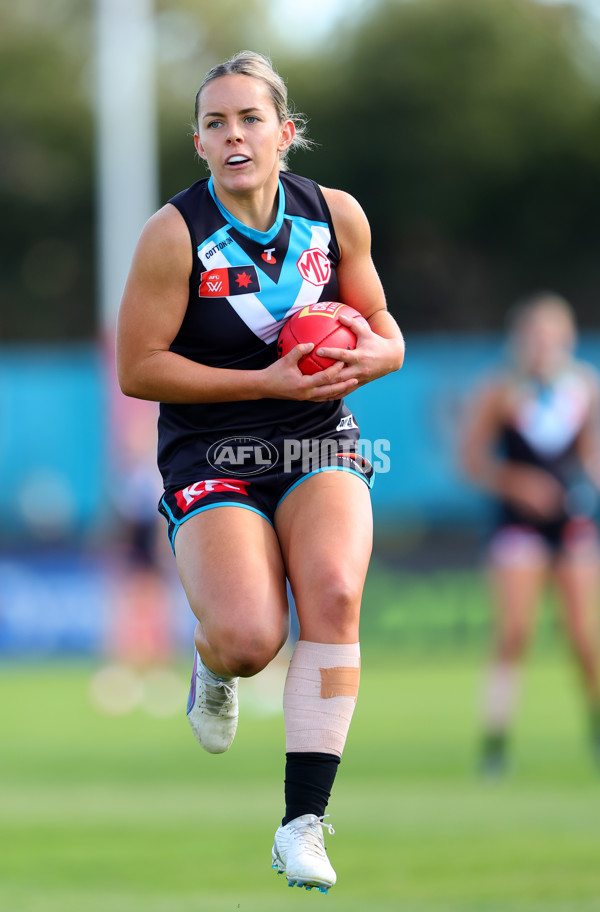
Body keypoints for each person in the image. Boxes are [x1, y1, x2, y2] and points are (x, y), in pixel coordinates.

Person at [116, 50, 404, 891]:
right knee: (250, 641)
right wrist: (261, 380)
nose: (233, 134)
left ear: (284, 133)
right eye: (215, 123)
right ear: (200, 145)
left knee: (336, 593)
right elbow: (138, 368)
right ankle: (212, 663)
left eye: (249, 119)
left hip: (318, 432)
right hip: (214, 448)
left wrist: (377, 355)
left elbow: (379, 317)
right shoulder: (174, 235)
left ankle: (303, 822)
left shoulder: (335, 214)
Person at [461, 292, 600, 775]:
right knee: (514, 634)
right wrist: (518, 483)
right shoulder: (499, 391)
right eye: (534, 336)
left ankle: (594, 728)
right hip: (517, 524)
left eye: (553, 336)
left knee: (584, 636)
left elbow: (588, 456)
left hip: (572, 521)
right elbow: (472, 461)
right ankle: (495, 743)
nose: (543, 346)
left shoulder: (583, 387)